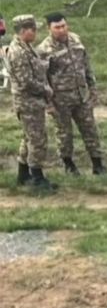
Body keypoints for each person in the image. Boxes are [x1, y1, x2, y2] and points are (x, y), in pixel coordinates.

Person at [38, 12, 107, 176]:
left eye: (64, 26)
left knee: (90, 130)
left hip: (81, 95)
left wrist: (93, 88)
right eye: (57, 27)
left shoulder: (76, 40)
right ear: (49, 28)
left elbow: (86, 65)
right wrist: (48, 104)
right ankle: (69, 165)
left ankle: (97, 164)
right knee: (64, 134)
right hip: (60, 100)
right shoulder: (44, 49)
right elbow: (42, 79)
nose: (62, 30)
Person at [6, 15, 57, 190]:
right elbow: (26, 81)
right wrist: (46, 89)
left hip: (32, 101)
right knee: (38, 139)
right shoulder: (18, 52)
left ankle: (23, 174)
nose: (35, 33)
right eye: (32, 30)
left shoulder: (26, 47)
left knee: (28, 137)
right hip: (28, 102)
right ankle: (37, 177)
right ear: (22, 31)